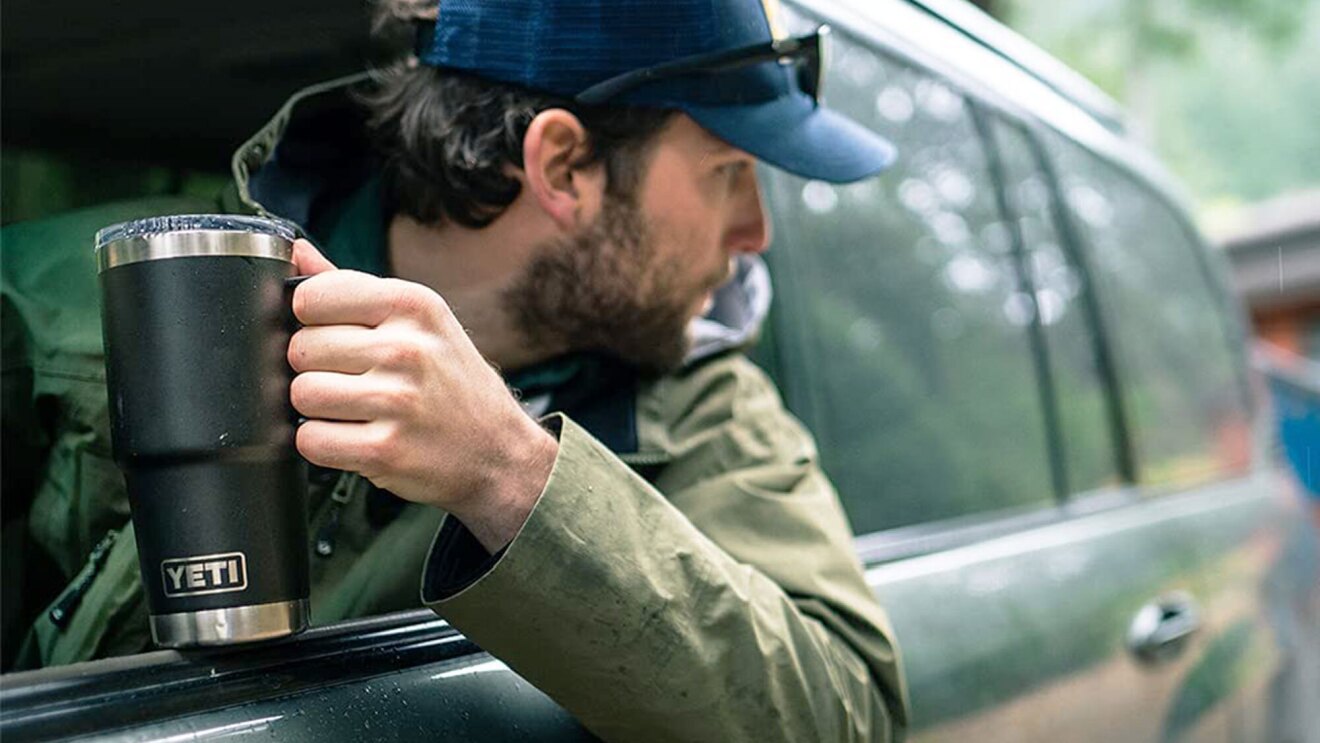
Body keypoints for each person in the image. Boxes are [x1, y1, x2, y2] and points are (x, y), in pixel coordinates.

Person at [2, 0, 909, 738]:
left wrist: (511, 474)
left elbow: (846, 717)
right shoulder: (53, 306)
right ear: (563, 165)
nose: (756, 234)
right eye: (728, 171)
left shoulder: (707, 403)